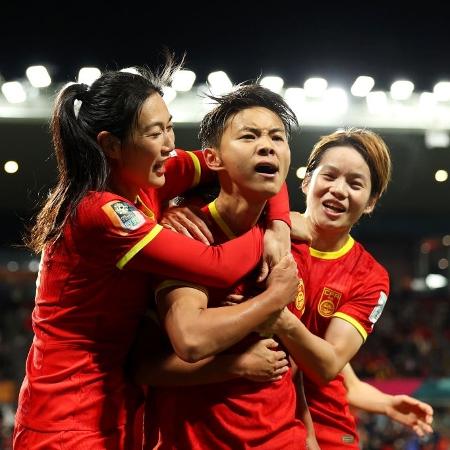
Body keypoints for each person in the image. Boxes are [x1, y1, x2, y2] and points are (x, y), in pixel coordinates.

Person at [13, 61, 295, 450]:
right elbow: (217, 265)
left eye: (169, 126)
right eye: (154, 132)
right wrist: (273, 273)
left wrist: (280, 221)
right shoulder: (100, 211)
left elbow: (257, 167)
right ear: (111, 145)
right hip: (66, 418)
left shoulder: (150, 176)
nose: (169, 143)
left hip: (124, 408)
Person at [133, 84, 307, 449]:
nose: (267, 145)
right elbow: (184, 342)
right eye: (249, 136)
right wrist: (271, 303)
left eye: (277, 137)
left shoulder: (288, 244)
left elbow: (296, 369)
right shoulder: (185, 236)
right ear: (213, 159)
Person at [255, 127, 393, 449]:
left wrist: (274, 311)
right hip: (259, 416)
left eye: (355, 184)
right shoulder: (268, 234)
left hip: (330, 430)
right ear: (307, 181)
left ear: (370, 202)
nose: (339, 190)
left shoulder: (370, 276)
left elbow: (328, 364)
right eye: (329, 176)